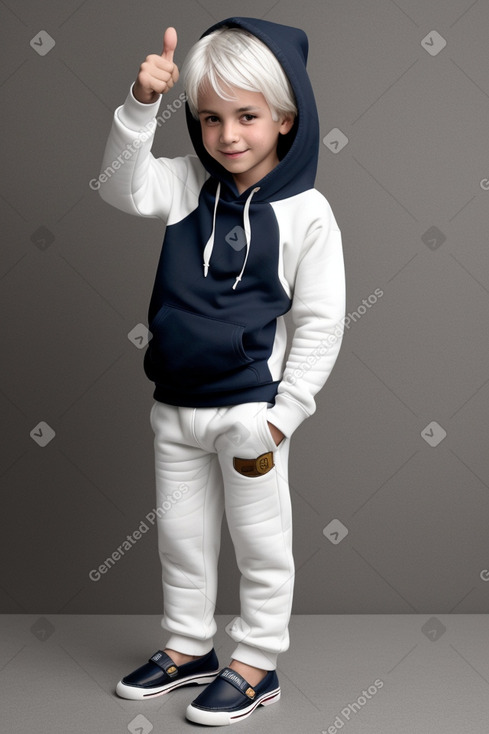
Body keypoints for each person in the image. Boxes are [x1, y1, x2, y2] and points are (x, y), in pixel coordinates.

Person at [98, 17, 345, 727]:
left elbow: (321, 321)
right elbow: (120, 186)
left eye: (247, 116)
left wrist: (283, 413)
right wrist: (141, 104)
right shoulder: (183, 187)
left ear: (285, 119)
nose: (227, 136)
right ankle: (188, 647)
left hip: (250, 414)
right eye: (209, 118)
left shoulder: (307, 213)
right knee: (181, 537)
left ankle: (256, 661)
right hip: (174, 405)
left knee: (261, 542)